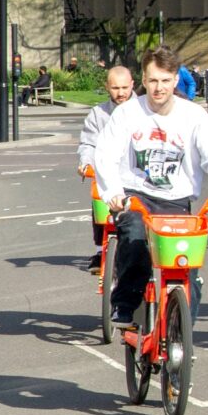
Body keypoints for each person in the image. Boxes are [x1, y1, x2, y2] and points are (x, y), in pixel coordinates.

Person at [91, 47, 208, 327]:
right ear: (143, 80)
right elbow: (106, 154)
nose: (159, 88)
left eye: (166, 80)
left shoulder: (193, 116)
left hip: (175, 201)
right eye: (153, 80)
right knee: (134, 241)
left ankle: (181, 335)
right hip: (136, 196)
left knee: (186, 266)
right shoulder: (128, 113)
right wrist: (113, 193)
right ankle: (124, 304)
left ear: (175, 80)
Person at [76, 64, 137, 271]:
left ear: (132, 85)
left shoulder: (144, 109)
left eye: (124, 88)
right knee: (99, 206)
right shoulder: (98, 113)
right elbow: (89, 143)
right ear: (107, 87)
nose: (120, 93)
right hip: (108, 173)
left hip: (136, 175)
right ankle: (101, 251)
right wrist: (86, 162)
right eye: (115, 88)